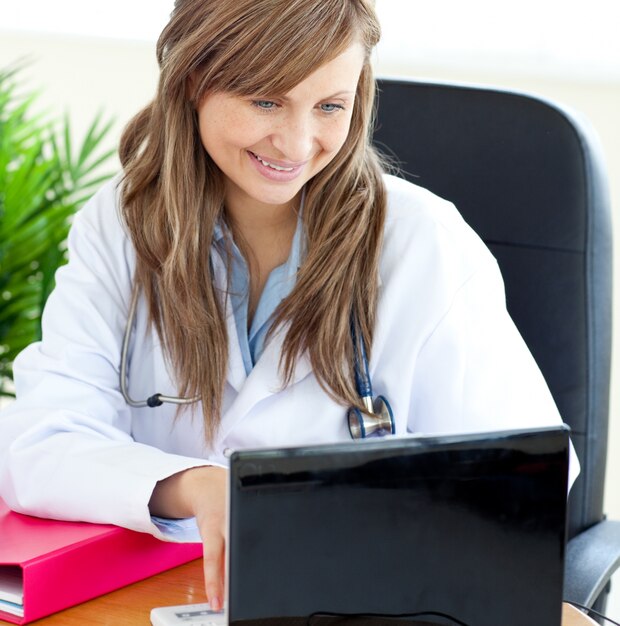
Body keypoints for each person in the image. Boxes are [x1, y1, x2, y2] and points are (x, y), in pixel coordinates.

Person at [0, 0, 577, 613]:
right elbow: (41, 442)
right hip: (165, 596)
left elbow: (523, 491)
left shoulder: (423, 245)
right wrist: (196, 486)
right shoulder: (122, 227)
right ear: (194, 78)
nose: (298, 143)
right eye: (267, 101)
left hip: (374, 598)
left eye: (330, 106)